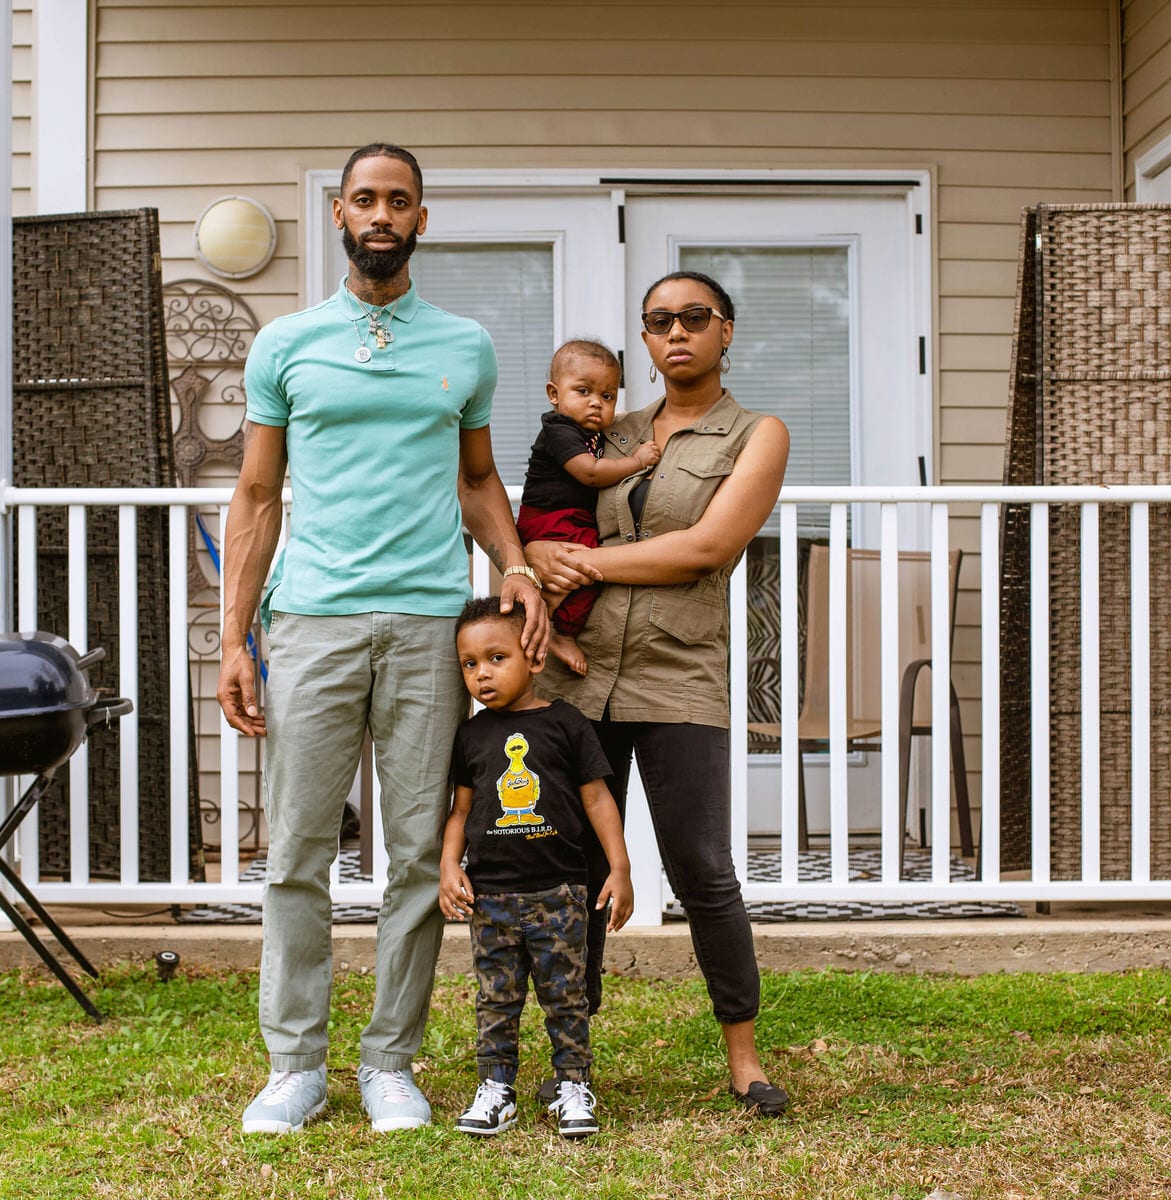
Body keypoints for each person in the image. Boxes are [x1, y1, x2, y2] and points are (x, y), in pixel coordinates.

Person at [217, 144, 547, 1136]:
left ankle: (390, 1063)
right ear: (339, 217)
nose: (380, 214)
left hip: (425, 621)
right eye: (364, 198)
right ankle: (295, 1067)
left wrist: (518, 565)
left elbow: (479, 479)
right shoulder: (287, 344)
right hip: (312, 620)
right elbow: (257, 493)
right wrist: (237, 637)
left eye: (398, 201)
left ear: (421, 220)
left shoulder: (465, 346)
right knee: (297, 852)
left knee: (414, 851)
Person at [525, 270, 794, 1117]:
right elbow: (541, 515)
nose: (675, 332)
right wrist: (532, 559)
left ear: (726, 331)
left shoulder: (757, 434)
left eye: (694, 318)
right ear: (643, 339)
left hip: (680, 673)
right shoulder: (604, 428)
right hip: (577, 671)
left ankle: (745, 1061)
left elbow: (705, 548)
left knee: (702, 869)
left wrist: (583, 563)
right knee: (569, 869)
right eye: (657, 321)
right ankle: (572, 1061)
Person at [437, 596, 633, 1139]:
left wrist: (619, 868)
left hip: (560, 892)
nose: (482, 674)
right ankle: (496, 1089)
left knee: (564, 995)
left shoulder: (566, 724)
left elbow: (598, 800)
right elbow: (460, 811)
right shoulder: (471, 735)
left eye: (497, 658)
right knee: (496, 997)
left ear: (535, 659)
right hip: (492, 897)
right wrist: (450, 866)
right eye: (469, 664)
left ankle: (573, 1086)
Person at [516, 340, 661, 677]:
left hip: (566, 517)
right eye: (583, 391)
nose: (596, 403)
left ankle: (552, 617)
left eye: (608, 396)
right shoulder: (559, 430)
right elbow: (590, 472)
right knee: (588, 568)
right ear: (554, 393)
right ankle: (556, 626)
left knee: (589, 570)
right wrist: (637, 461)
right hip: (550, 517)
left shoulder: (589, 431)